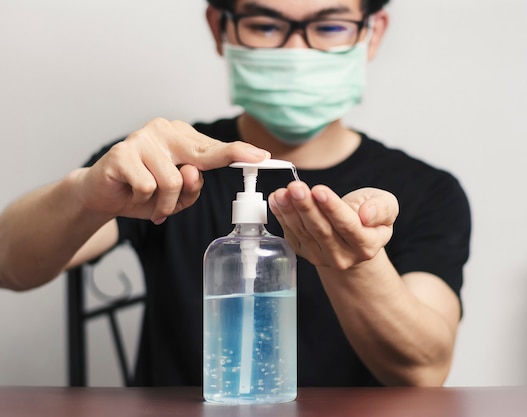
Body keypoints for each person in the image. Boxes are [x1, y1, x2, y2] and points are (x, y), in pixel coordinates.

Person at [0, 0, 470, 387]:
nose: (294, 50)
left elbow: (423, 369)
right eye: (265, 25)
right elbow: (8, 266)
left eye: (329, 25)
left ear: (373, 31)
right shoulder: (169, 169)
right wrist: (84, 194)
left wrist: (354, 260)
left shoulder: (426, 192)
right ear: (219, 26)